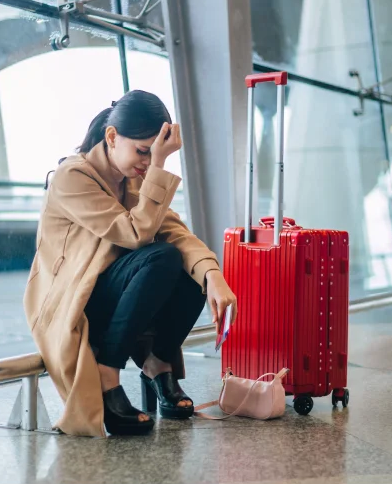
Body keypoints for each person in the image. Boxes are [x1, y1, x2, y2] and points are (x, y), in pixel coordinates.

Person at [24, 89, 238, 438]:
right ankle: (108, 374)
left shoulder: (133, 180)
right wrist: (159, 166)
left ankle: (158, 364)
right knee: (162, 257)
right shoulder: (72, 177)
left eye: (154, 154)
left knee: (187, 267)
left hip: (111, 293)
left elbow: (175, 232)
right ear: (112, 137)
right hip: (70, 300)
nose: (147, 162)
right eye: (143, 151)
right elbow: (135, 233)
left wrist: (214, 275)